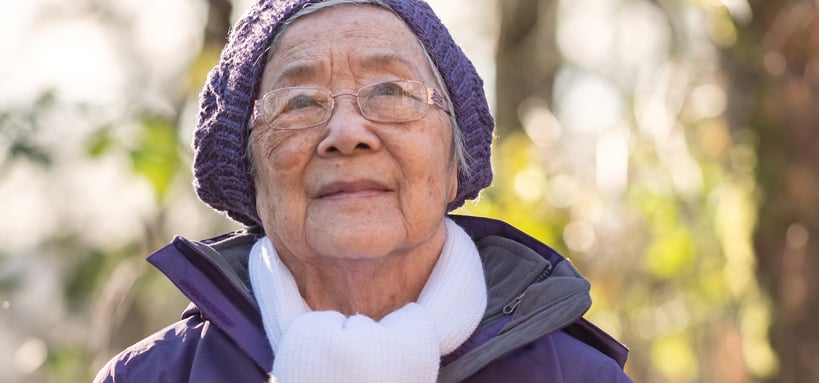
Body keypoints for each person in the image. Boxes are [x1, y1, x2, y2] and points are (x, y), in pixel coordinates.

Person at [96, 0, 630, 381]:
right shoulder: (153, 376)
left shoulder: (577, 376)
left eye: (391, 91)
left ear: (453, 163)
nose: (347, 134)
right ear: (251, 175)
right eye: (300, 103)